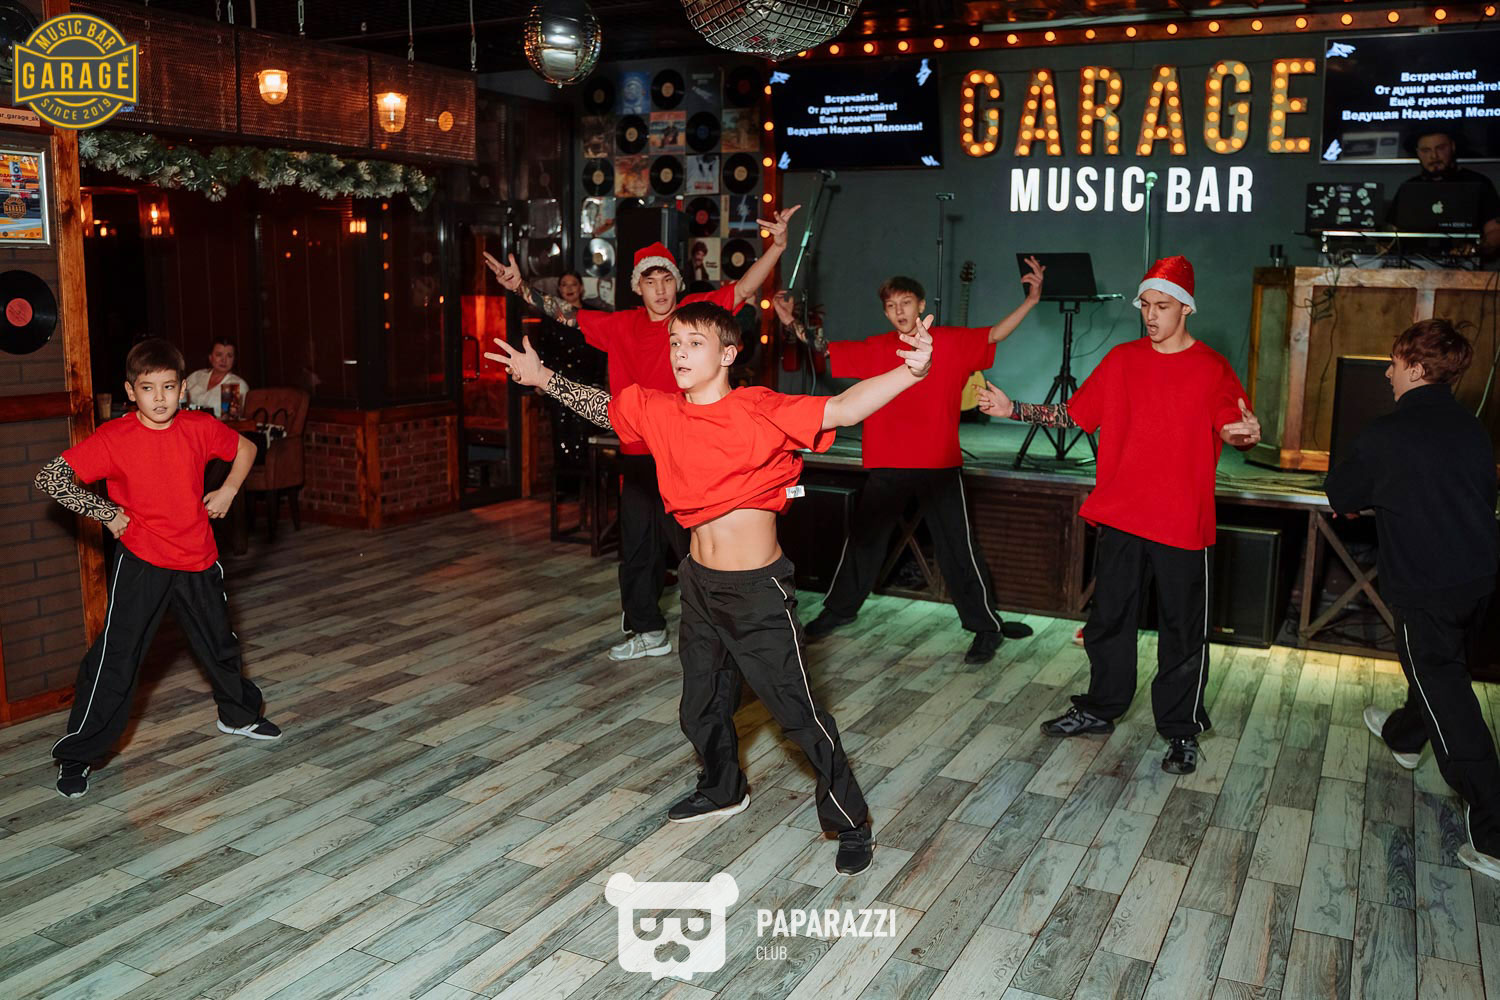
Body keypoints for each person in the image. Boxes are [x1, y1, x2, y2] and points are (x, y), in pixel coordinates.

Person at [485, 300, 934, 876]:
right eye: (674, 342)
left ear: (727, 354)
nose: (679, 353)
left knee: (796, 712)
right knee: (701, 704)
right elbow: (605, 407)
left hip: (757, 590)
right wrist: (544, 377)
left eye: (694, 343)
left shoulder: (758, 408)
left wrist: (911, 371)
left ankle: (850, 820)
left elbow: (844, 406)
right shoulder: (660, 411)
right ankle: (723, 789)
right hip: (698, 583)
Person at [978, 256, 1261, 774]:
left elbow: (1230, 423)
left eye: (1162, 306)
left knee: (1183, 632)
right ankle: (1101, 708)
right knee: (1108, 621)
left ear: (1187, 308)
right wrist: (1013, 408)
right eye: (1145, 305)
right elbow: (1076, 413)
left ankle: (1181, 729)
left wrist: (1242, 434)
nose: (1150, 315)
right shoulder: (1123, 360)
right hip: (1122, 515)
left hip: (1181, 522)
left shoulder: (1212, 368)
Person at [485, 206, 801, 662]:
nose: (660, 288)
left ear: (677, 283)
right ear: (638, 287)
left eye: (666, 279)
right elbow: (566, 314)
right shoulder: (620, 325)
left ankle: (722, 634)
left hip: (685, 456)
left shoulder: (693, 319)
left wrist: (778, 247)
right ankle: (647, 630)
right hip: (637, 455)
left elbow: (746, 288)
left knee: (695, 551)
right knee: (636, 548)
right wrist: (521, 287)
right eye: (650, 281)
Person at [34, 338, 281, 799]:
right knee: (116, 658)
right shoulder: (115, 437)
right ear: (132, 391)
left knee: (221, 646)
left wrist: (228, 490)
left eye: (169, 386)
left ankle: (238, 715)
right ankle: (78, 753)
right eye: (148, 388)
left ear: (183, 387)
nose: (160, 397)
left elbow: (246, 448)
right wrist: (106, 512)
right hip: (142, 560)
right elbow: (51, 478)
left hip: (198, 557)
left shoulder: (198, 426)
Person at [802, 257, 1047, 665]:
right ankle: (839, 610)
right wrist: (791, 322)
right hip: (887, 461)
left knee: (958, 549)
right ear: (885, 312)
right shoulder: (877, 347)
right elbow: (824, 349)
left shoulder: (950, 341)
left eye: (905, 303)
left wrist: (1031, 300)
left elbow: (995, 333)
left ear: (920, 305)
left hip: (938, 464)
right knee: (864, 540)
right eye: (891, 305)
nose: (899, 311)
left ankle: (986, 627)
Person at [1324, 319, 1500, 881]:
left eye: (1395, 362)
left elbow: (1341, 493)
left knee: (1450, 701)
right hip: (1481, 583)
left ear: (1417, 369)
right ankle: (1403, 737)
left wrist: (1365, 495)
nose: (1387, 372)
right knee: (1437, 671)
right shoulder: (1472, 428)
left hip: (1428, 590)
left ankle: (1494, 837)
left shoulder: (1387, 433)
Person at [1387, 130, 1500, 263]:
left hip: (1467, 264)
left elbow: (1495, 231)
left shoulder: (1479, 183)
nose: (1434, 156)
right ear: (1418, 153)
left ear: (1452, 147)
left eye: (1440, 148)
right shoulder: (1408, 187)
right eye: (1426, 150)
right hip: (1413, 264)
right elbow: (1390, 230)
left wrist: (1477, 249)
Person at [182, 336, 250, 418]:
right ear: (210, 357)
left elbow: (231, 417)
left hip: (218, 425)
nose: (224, 360)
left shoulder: (237, 384)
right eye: (219, 355)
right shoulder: (196, 376)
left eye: (229, 356)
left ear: (234, 360)